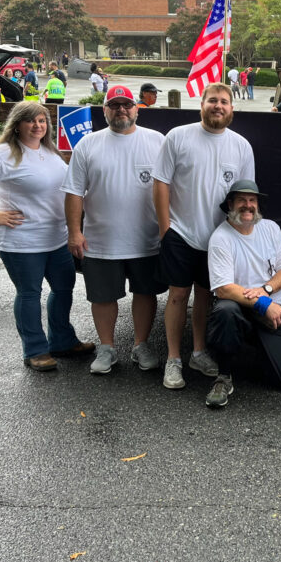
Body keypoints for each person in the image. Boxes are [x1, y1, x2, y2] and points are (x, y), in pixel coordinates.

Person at [0, 101, 88, 371]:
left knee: (63, 289)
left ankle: (62, 340)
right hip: (21, 240)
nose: (37, 125)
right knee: (30, 293)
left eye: (42, 120)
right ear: (16, 124)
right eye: (30, 121)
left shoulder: (49, 152)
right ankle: (35, 350)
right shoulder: (2, 154)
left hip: (56, 236)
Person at [153, 82, 254, 391]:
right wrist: (165, 228)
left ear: (231, 109)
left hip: (220, 239)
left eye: (224, 101)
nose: (218, 106)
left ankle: (198, 353)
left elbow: (245, 195)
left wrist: (239, 235)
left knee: (205, 296)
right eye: (213, 100)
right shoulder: (178, 137)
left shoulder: (241, 146)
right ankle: (173, 360)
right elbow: (160, 184)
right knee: (178, 295)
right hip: (181, 233)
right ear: (202, 104)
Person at [62, 85, 167, 375]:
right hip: (100, 240)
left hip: (147, 239)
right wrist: (74, 232)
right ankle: (107, 349)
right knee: (102, 296)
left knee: (145, 293)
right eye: (114, 105)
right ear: (105, 110)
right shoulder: (87, 144)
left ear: (136, 108)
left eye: (127, 104)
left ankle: (141, 345)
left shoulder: (157, 141)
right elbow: (73, 193)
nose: (121, 109)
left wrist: (167, 230)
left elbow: (170, 189)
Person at [204, 180, 281, 407]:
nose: (248, 206)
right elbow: (224, 288)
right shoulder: (221, 238)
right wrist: (262, 303)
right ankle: (224, 377)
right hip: (241, 310)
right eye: (241, 200)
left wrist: (266, 290)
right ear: (230, 204)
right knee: (224, 310)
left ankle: (261, 348)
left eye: (252, 200)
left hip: (275, 309)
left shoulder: (271, 228)